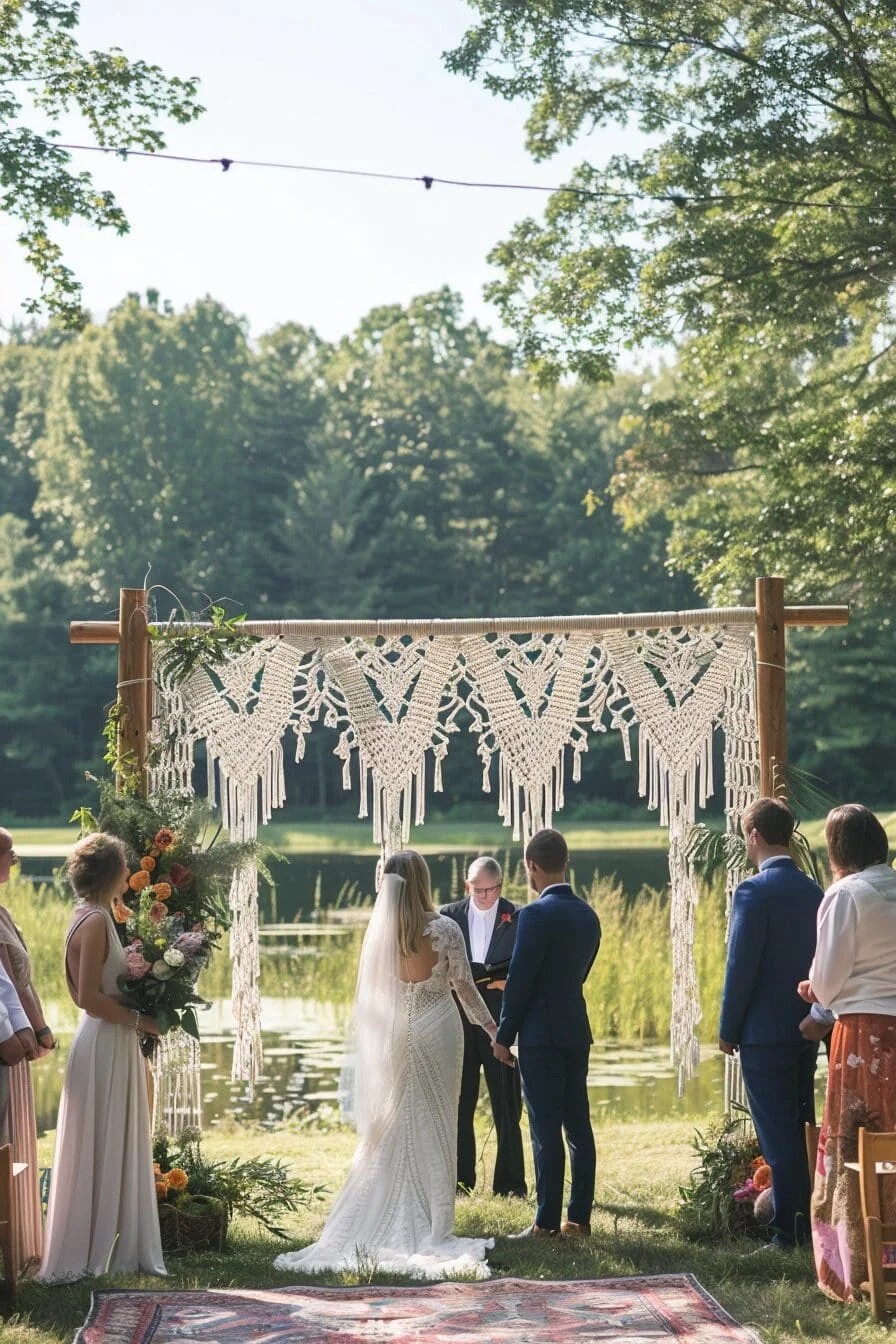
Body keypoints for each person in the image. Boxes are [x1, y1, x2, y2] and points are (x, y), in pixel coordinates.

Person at [274, 850, 498, 1279]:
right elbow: (466, 990)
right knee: (437, 1121)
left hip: (396, 1032)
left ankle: (387, 1207)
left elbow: (374, 1000)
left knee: (393, 1121)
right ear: (423, 881)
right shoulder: (445, 929)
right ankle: (434, 1223)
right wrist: (494, 1032)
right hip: (438, 1031)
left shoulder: (381, 932)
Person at [38, 831, 166, 1282]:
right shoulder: (93, 922)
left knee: (113, 1135)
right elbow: (88, 998)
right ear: (112, 872)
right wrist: (141, 1022)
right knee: (104, 1136)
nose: (130, 873)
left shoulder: (90, 915)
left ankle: (110, 1237)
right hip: (105, 1039)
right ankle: (96, 1246)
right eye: (125, 866)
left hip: (109, 1040)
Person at [799, 804, 896, 1303]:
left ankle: (856, 1267)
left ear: (837, 849)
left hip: (865, 1036)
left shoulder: (845, 894)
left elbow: (828, 982)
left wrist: (812, 990)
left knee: (857, 1148)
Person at [718, 796, 823, 1250]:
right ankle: (806, 1220)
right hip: (806, 1026)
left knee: (776, 1132)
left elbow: (741, 965)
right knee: (801, 1121)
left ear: (755, 835)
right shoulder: (813, 890)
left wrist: (727, 1028)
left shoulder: (752, 891)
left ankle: (787, 1231)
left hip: (763, 1032)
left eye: (745, 834)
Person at [493, 828, 601, 1238]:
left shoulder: (533, 915)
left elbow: (520, 981)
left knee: (544, 1128)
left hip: (540, 1035)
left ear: (531, 866)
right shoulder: (588, 915)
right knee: (578, 1126)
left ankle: (545, 1222)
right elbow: (581, 973)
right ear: (566, 861)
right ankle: (579, 1219)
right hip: (576, 1029)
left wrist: (504, 1035)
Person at [441, 855, 526, 1198]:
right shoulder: (448, 916)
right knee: (461, 1103)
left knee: (507, 1105)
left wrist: (510, 982)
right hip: (459, 1018)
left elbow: (529, 962)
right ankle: (461, 1183)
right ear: (467, 886)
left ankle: (509, 1186)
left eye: (492, 890)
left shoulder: (518, 916)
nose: (487, 897)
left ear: (501, 886)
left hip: (500, 1020)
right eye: (479, 891)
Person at [0, 828, 55, 1271]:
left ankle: (18, 1247)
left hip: (15, 1037)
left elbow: (19, 983)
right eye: (10, 855)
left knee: (14, 1141)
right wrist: (32, 1032)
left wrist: (37, 1031)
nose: (15, 862)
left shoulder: (1, 911)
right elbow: (9, 985)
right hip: (7, 1041)